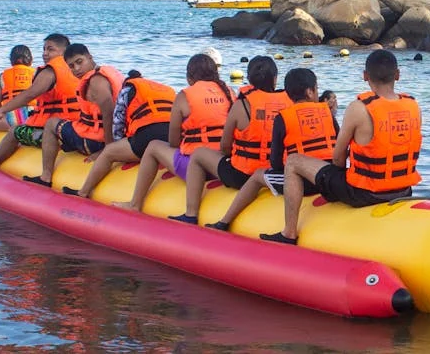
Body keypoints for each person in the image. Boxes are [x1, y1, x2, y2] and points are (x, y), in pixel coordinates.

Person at [260, 49, 422, 245]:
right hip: (404, 190)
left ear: (365, 76)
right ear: (397, 74)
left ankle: (289, 233)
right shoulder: (413, 105)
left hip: (364, 193)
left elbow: (338, 158)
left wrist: (328, 180)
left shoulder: (359, 107)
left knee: (293, 162)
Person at [205, 68, 339, 232]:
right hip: (329, 177)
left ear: (289, 94)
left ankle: (224, 222)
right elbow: (338, 149)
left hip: (305, 184)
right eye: (316, 88)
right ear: (310, 92)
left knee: (257, 176)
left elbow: (275, 162)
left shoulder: (284, 117)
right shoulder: (327, 113)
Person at [168, 56, 291, 224]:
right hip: (277, 172)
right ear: (275, 78)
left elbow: (225, 146)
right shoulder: (290, 103)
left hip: (242, 175)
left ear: (249, 78)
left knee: (198, 154)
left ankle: (191, 213)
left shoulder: (242, 106)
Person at [117, 53, 235, 210]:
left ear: (189, 78)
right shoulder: (230, 92)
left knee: (153, 146)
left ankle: (135, 204)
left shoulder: (184, 96)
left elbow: (173, 142)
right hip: (224, 166)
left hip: (197, 168)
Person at [61, 70, 176, 198]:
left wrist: (116, 146)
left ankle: (83, 192)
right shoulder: (167, 89)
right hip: (173, 137)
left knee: (109, 152)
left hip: (148, 135)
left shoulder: (128, 89)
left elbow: (117, 123)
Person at [24, 44, 125, 187]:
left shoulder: (96, 81)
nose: (76, 69)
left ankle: (46, 177)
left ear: (89, 57)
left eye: (79, 62)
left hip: (95, 141)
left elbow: (108, 112)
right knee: (68, 123)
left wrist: (107, 150)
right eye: (71, 66)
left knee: (52, 124)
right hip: (117, 138)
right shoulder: (109, 71)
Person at [0, 34, 81, 168]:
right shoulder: (78, 70)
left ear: (64, 52)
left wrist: (3, 110)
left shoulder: (50, 72)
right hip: (74, 127)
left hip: (54, 132)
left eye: (50, 49)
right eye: (44, 49)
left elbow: (29, 95)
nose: (45, 53)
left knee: (16, 131)